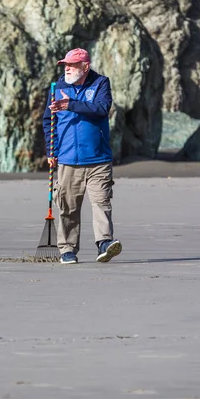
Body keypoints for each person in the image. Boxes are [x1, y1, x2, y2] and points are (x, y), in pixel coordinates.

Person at [42, 47, 122, 264]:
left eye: (72, 65)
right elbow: (49, 121)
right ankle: (67, 249)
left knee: (101, 202)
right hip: (67, 159)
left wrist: (71, 105)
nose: (67, 68)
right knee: (68, 207)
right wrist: (51, 150)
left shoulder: (100, 83)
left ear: (85, 67)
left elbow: (102, 109)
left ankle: (104, 243)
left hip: (98, 159)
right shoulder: (56, 87)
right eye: (65, 65)